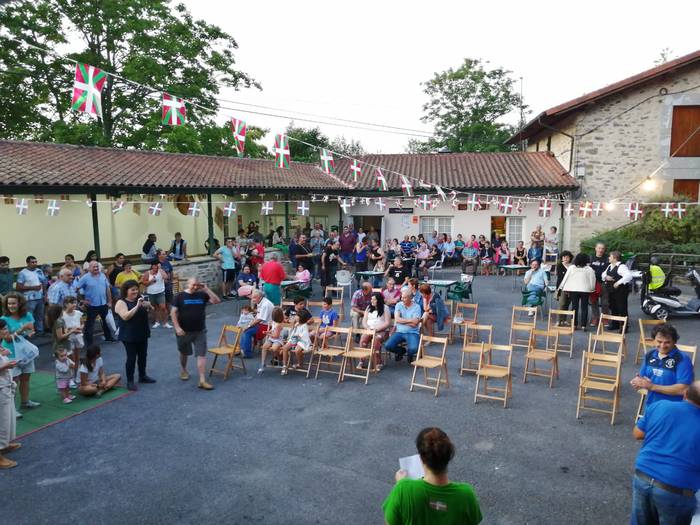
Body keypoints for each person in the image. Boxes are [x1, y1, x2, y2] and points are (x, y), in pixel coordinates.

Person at [630, 381, 700, 525]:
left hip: (643, 476)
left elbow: (637, 433)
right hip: (677, 490)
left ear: (685, 394)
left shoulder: (660, 406)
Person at [383, 427, 482, 525]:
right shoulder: (466, 495)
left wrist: (400, 484)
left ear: (421, 458)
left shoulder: (403, 489)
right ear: (448, 457)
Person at [171, 277, 221, 390]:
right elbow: (173, 313)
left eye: (197, 285)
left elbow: (217, 301)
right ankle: (184, 369)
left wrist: (207, 289)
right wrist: (177, 327)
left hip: (200, 330)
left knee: (201, 354)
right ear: (187, 284)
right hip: (184, 331)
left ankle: (202, 380)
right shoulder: (179, 296)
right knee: (184, 353)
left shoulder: (202, 295)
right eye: (193, 284)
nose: (195, 287)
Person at [631, 323, 694, 407]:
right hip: (652, 406)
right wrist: (638, 382)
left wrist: (652, 387)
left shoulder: (682, 359)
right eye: (659, 341)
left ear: (674, 342)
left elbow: (683, 389)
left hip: (673, 408)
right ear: (653, 340)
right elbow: (643, 378)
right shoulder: (649, 355)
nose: (662, 346)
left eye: (667, 342)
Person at [115, 279, 156, 391]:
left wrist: (150, 306)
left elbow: (151, 313)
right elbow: (125, 316)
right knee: (131, 357)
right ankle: (130, 381)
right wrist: (138, 306)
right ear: (126, 291)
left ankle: (142, 376)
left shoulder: (140, 299)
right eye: (132, 290)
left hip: (142, 332)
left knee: (143, 356)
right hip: (128, 335)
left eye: (137, 289)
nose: (135, 292)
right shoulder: (121, 302)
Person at [1, 292, 39, 414]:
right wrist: (22, 329)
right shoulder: (3, 319)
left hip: (25, 352)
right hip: (11, 352)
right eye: (9, 303)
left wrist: (30, 332)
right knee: (14, 381)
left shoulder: (27, 315)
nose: (11, 306)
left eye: (14, 303)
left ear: (20, 304)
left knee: (26, 377)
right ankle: (12, 409)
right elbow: (7, 339)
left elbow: (31, 330)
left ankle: (25, 401)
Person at [77, 261, 115, 345]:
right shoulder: (85, 278)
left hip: (103, 304)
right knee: (90, 324)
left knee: (106, 322)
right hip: (92, 305)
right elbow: (76, 289)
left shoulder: (103, 275)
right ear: (89, 268)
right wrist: (82, 301)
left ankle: (109, 337)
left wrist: (110, 301)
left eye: (97, 266)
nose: (96, 268)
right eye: (93, 267)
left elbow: (107, 289)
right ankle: (89, 343)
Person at [0, 319, 20, 469]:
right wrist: (5, 365)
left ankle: (4, 444)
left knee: (8, 417)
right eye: (3, 329)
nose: (5, 331)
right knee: (1, 420)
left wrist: (3, 354)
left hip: (5, 385)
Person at [558, 253, 595, 330]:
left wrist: (562, 287)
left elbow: (566, 278)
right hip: (585, 290)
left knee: (574, 307)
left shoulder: (571, 268)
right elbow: (592, 280)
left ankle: (574, 324)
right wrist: (592, 289)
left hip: (574, 290)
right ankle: (583, 325)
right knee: (584, 307)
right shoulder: (589, 269)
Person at [385, 289, 422, 363]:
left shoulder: (417, 307)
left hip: (412, 332)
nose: (402, 299)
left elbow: (415, 324)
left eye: (404, 298)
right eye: (402, 297)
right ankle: (401, 351)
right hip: (399, 332)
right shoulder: (399, 305)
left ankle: (410, 354)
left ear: (410, 298)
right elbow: (397, 319)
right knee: (388, 346)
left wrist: (401, 321)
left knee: (413, 349)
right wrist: (410, 320)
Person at [602, 250, 632, 331]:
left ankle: (624, 327)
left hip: (621, 291)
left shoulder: (622, 266)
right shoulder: (610, 266)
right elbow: (603, 274)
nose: (609, 258)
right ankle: (615, 324)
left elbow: (629, 276)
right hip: (611, 291)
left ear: (615, 258)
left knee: (622, 308)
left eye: (610, 256)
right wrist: (606, 277)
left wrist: (618, 282)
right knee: (613, 307)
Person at [360, 292, 391, 370]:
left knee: (376, 339)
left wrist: (376, 329)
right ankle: (362, 361)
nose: (372, 301)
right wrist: (367, 328)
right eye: (371, 299)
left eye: (374, 299)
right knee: (363, 339)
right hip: (370, 330)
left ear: (379, 300)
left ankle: (378, 362)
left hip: (382, 331)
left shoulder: (385, 308)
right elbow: (364, 321)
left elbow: (387, 323)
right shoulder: (368, 307)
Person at [16, 255, 46, 333]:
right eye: (32, 262)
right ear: (27, 263)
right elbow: (18, 287)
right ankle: (30, 333)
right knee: (29, 317)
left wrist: (45, 295)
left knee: (40, 316)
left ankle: (40, 331)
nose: (35, 263)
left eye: (36, 262)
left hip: (40, 297)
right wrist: (33, 288)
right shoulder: (23, 273)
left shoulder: (39, 271)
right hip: (29, 299)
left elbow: (44, 283)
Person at [240, 289, 274, 359]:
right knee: (244, 329)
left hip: (266, 326)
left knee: (247, 331)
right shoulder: (261, 302)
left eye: (254, 298)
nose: (252, 299)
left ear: (260, 297)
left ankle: (246, 353)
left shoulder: (265, 304)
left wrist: (248, 326)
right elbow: (258, 316)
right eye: (252, 297)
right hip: (262, 324)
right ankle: (242, 349)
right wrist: (249, 324)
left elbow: (260, 319)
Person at [280, 309, 313, 375]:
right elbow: (293, 333)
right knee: (285, 348)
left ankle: (300, 363)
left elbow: (304, 336)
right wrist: (293, 326)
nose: (295, 316)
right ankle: (284, 366)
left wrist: (296, 338)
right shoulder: (296, 324)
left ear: (301, 318)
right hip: (294, 339)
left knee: (297, 350)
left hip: (302, 340)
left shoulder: (304, 326)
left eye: (297, 316)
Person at [61, 296, 84, 386]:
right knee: (71, 359)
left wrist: (80, 328)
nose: (74, 304)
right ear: (66, 304)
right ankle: (70, 378)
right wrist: (71, 330)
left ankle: (77, 376)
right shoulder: (63, 315)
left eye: (75, 303)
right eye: (72, 303)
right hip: (68, 338)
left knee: (77, 358)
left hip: (78, 337)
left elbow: (82, 323)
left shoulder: (78, 313)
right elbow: (63, 329)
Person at [141, 262, 171, 329]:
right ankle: (157, 322)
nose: (156, 267)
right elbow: (144, 283)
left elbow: (166, 277)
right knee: (155, 308)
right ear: (152, 266)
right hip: (151, 293)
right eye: (155, 265)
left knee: (163, 307)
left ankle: (165, 323)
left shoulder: (161, 271)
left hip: (160, 292)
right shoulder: (147, 273)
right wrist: (151, 281)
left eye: (157, 266)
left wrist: (160, 269)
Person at [258, 306, 285, 374]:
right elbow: (272, 330)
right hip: (271, 338)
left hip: (278, 340)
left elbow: (276, 336)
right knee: (264, 347)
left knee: (274, 349)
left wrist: (268, 334)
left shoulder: (278, 325)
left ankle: (280, 359)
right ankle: (262, 363)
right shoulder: (273, 322)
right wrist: (267, 332)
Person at [589, 242, 609, 328]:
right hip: (593, 282)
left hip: (604, 283)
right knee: (593, 301)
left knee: (605, 302)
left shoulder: (607, 258)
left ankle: (605, 318)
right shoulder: (591, 258)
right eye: (599, 248)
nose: (601, 250)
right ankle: (595, 318)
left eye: (602, 248)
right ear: (595, 248)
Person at [554, 250, 574, 322]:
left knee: (567, 304)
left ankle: (564, 320)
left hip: (571, 287)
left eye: (567, 257)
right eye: (564, 257)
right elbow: (561, 276)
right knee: (562, 303)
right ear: (562, 258)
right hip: (562, 287)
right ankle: (559, 320)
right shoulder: (559, 266)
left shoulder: (572, 266)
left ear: (570, 258)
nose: (565, 258)